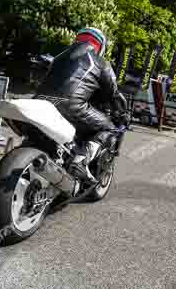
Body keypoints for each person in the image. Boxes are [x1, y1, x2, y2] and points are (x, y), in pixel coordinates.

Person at [35, 27, 129, 185]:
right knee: (110, 128)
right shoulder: (100, 61)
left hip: (41, 102)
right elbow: (112, 93)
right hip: (71, 106)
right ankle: (80, 161)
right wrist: (122, 111)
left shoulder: (58, 57)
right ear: (100, 46)